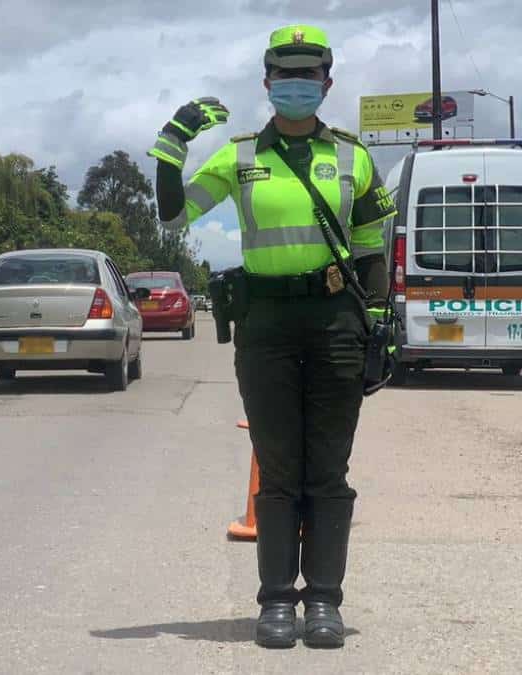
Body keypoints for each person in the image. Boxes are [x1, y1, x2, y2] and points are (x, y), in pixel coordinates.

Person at [147, 25, 397, 649]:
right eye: (285, 74)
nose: (296, 84)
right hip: (266, 329)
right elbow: (175, 214)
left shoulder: (352, 157)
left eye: (308, 74)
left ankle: (324, 603)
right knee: (279, 471)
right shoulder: (238, 157)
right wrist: (172, 145)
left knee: (329, 471)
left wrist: (383, 324)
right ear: (266, 82)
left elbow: (372, 249)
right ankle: (277, 602)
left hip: (337, 322)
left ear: (326, 83)